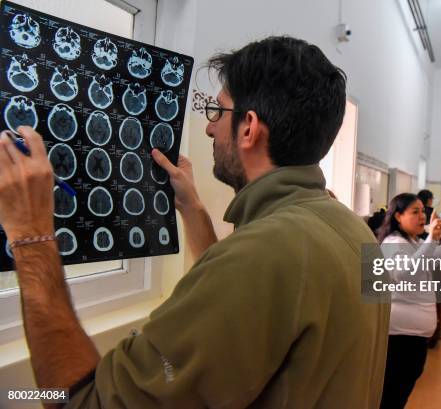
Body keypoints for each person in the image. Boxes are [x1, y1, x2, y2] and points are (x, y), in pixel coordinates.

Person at [0, 36, 390, 408]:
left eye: (218, 111)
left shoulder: (263, 255)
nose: (208, 126)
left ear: (250, 127)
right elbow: (254, 320)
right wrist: (193, 209)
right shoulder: (350, 229)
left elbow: (86, 403)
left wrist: (31, 234)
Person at [377, 193, 441, 409]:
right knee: (392, 395)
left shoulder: (411, 241)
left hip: (412, 336)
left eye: (423, 212)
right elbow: (405, 273)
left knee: (398, 393)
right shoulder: (393, 242)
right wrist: (432, 240)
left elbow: (427, 263)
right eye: (414, 212)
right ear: (398, 216)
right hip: (400, 337)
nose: (422, 217)